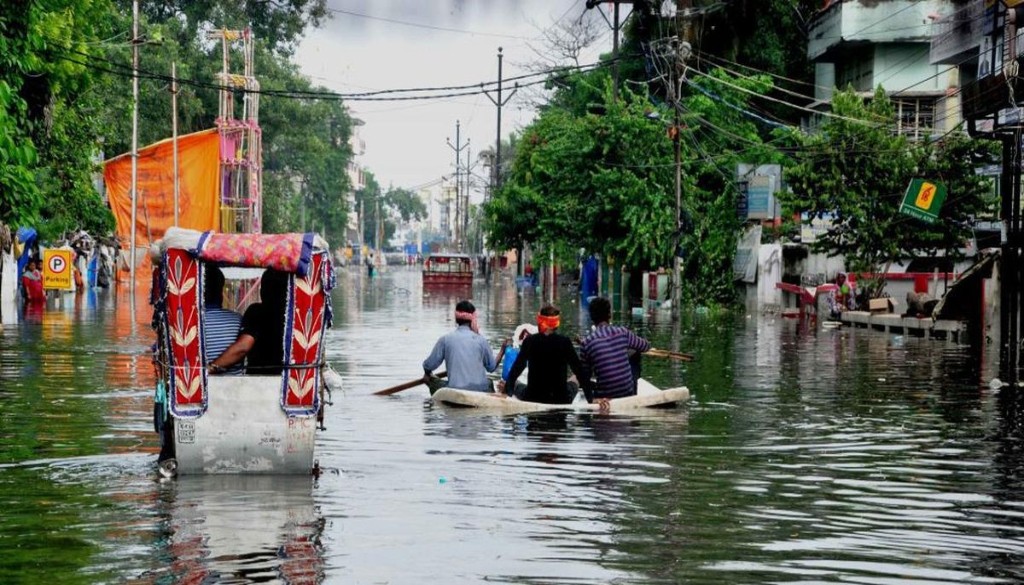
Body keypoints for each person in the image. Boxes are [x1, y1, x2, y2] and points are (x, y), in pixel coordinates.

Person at [499, 305, 593, 405]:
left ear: (540, 322)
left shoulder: (529, 341)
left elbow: (517, 369)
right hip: (562, 399)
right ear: (556, 324)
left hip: (532, 397)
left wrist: (508, 392)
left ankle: (506, 389)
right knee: (576, 377)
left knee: (515, 382)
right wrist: (590, 400)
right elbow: (579, 371)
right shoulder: (565, 342)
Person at [208, 269, 289, 376]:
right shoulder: (295, 317)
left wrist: (209, 369)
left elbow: (243, 346)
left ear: (264, 291)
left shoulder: (257, 311)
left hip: (259, 380)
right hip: (289, 380)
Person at [578, 297, 651, 409]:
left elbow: (585, 377)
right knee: (636, 352)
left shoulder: (586, 343)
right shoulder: (622, 332)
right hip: (627, 392)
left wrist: (591, 399)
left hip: (604, 396)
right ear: (609, 315)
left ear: (592, 318)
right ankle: (633, 393)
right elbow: (645, 346)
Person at [423, 300, 507, 393]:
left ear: (456, 319)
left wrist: (427, 373)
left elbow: (429, 365)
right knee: (489, 382)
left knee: (431, 379)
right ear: (473, 319)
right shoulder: (481, 340)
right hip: (481, 389)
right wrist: (502, 350)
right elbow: (491, 367)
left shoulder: (445, 339)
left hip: (455, 390)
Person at [202, 266, 243, 374]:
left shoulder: (187, 325)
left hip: (197, 383)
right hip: (236, 383)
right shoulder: (238, 320)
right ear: (220, 291)